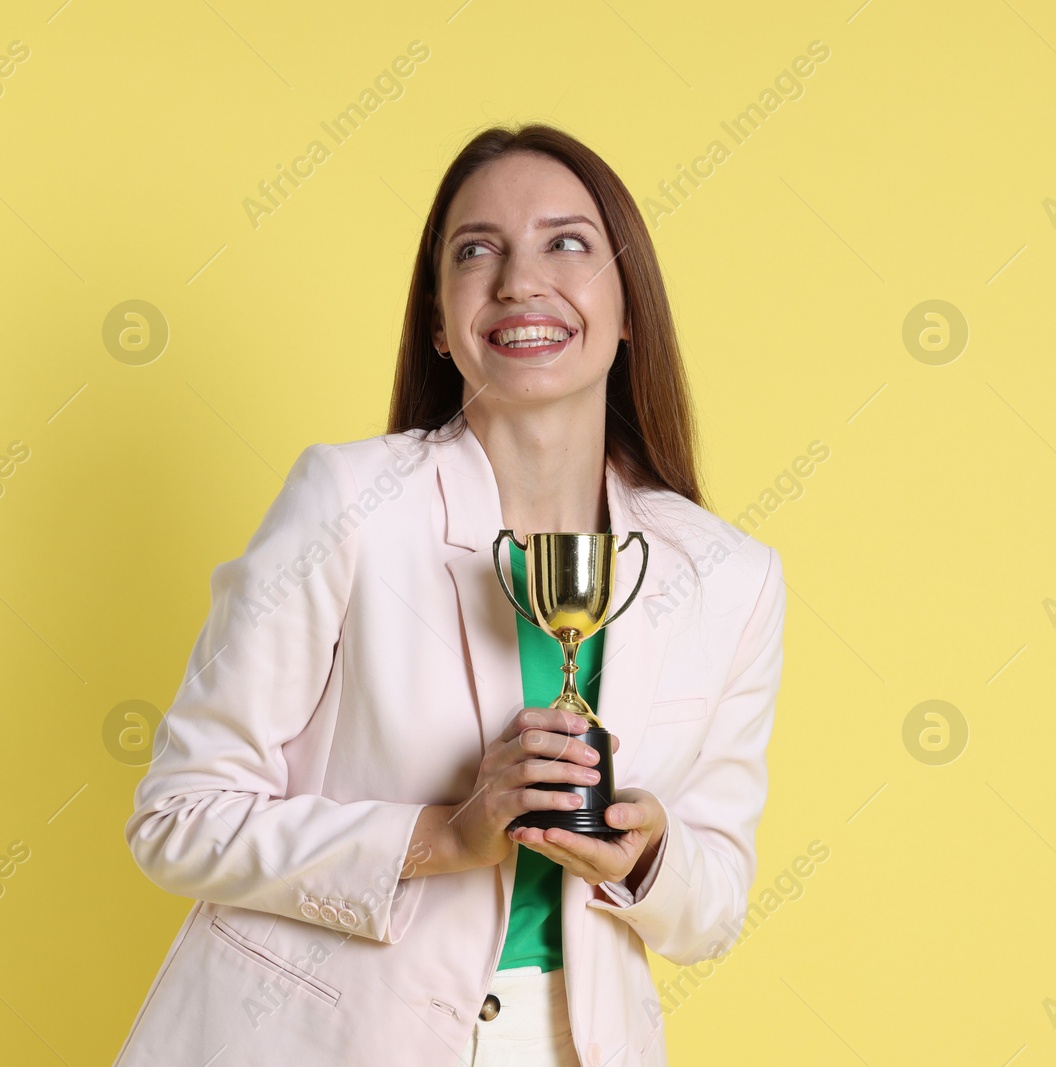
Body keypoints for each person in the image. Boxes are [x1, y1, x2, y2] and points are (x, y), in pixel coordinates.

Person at [114, 123, 787, 1067]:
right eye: (478, 251)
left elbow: (713, 905)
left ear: (630, 307)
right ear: (439, 320)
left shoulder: (730, 576)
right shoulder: (347, 504)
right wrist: (444, 834)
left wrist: (643, 851)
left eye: (567, 243)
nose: (520, 281)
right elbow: (177, 817)